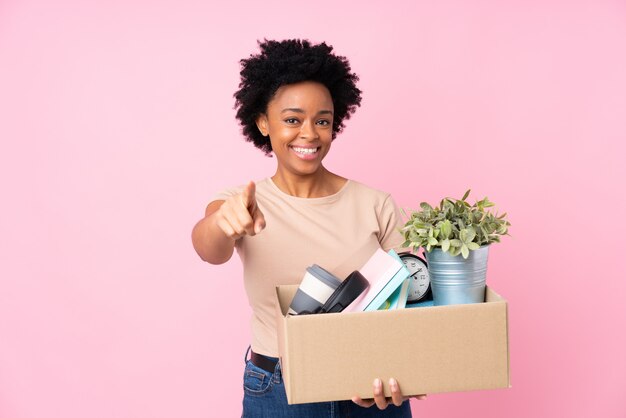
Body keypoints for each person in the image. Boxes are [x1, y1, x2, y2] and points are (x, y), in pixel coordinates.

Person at [192, 39, 426, 417]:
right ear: (263, 122)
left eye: (322, 121)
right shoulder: (242, 202)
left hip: (369, 388)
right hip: (279, 390)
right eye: (292, 119)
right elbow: (208, 247)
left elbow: (408, 305)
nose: (310, 134)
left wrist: (398, 374)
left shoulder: (375, 204)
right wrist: (224, 222)